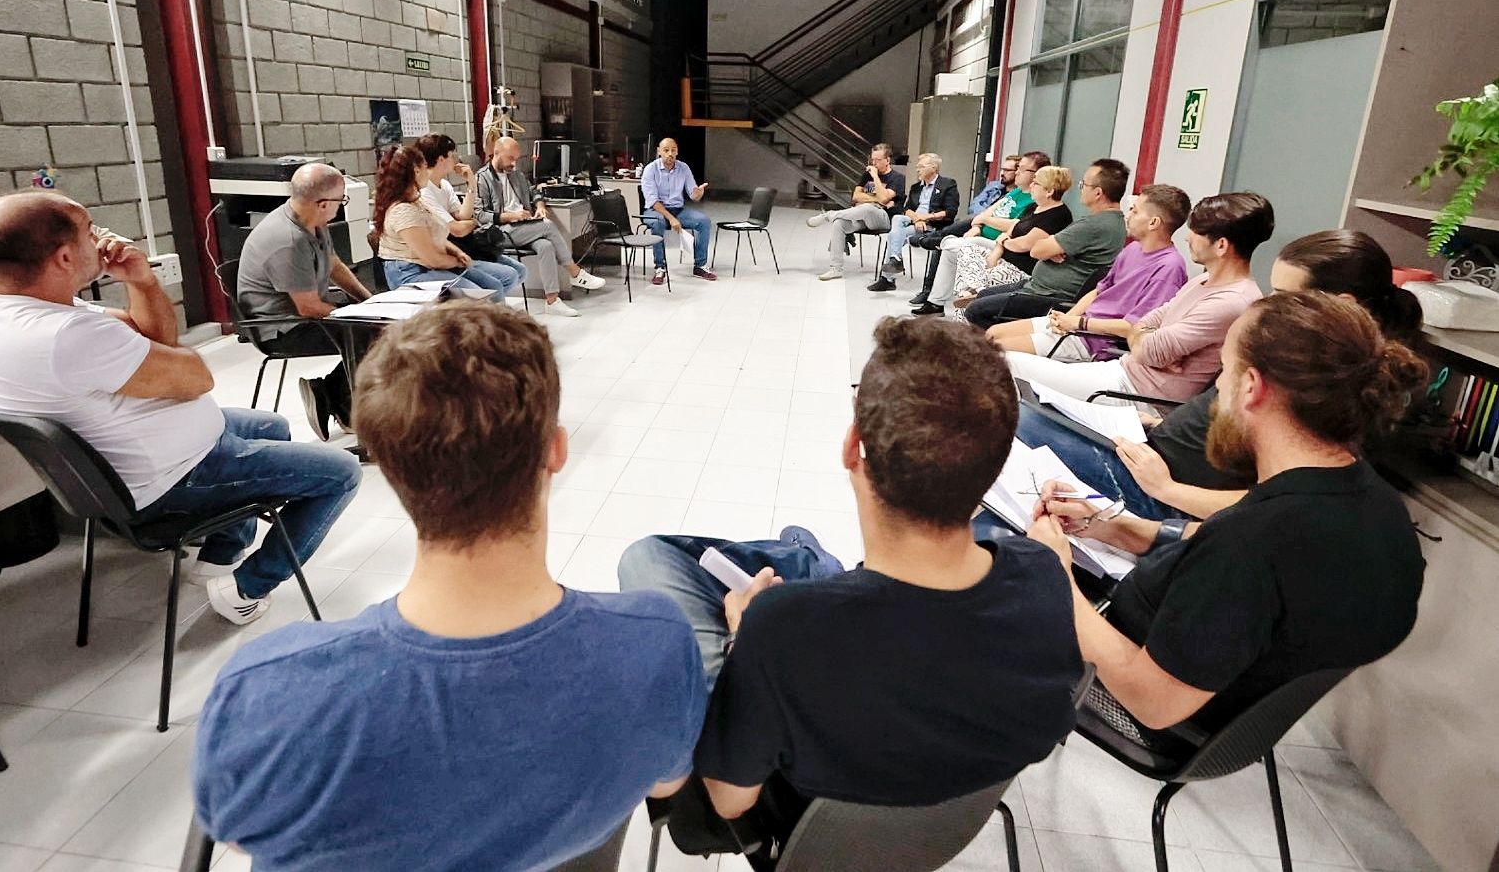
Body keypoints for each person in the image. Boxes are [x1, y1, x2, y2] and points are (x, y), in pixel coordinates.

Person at [193, 302, 706, 870]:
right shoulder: (654, 644)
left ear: (388, 467)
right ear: (556, 450)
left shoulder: (270, 689)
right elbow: (664, 784)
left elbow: (238, 833)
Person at [618, 317, 1084, 854]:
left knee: (651, 557)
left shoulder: (784, 630)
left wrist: (743, 641)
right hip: (945, 822)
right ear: (998, 462)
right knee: (801, 559)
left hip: (801, 832)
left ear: (852, 448)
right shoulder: (1044, 572)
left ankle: (810, 557)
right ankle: (813, 556)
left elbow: (728, 802)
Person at [1026, 290, 1425, 736]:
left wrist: (1055, 576)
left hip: (1134, 697)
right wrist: (1112, 528)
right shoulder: (1370, 501)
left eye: (1225, 370)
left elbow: (1153, 703)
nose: (1217, 386)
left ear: (1251, 387)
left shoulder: (1250, 546)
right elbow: (1225, 552)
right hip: (1210, 683)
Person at [0, 191, 358, 624]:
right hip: (172, 477)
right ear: (63, 258)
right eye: (88, 231)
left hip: (135, 461)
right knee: (341, 473)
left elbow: (154, 338)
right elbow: (197, 377)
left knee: (269, 425)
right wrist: (159, 351)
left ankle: (220, 552)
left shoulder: (2, 310)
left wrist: (142, 281)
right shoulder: (65, 335)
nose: (100, 238)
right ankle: (246, 589)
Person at [1011, 229, 1426, 522]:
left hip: (1161, 485)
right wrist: (1162, 422)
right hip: (1152, 448)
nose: (1272, 303)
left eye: (1286, 296)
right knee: (1019, 416)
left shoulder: (1335, 393)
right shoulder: (1293, 357)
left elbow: (1281, 506)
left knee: (1010, 422)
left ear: (1339, 303)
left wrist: (1167, 490)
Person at [1005, 192, 1274, 407]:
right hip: (1123, 371)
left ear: (1221, 245)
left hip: (1136, 393)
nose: (1188, 237)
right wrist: (1147, 341)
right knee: (1001, 359)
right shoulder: (1202, 282)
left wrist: (1146, 342)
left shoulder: (1230, 301)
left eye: (1195, 232)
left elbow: (1148, 346)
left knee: (1005, 363)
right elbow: (1148, 325)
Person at [235, 162, 374, 441]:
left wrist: (368, 301)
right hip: (283, 329)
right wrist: (358, 316)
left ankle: (330, 393)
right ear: (322, 203)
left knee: (376, 325)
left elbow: (333, 265)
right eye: (341, 200)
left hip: (302, 313)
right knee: (373, 335)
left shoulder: (313, 221)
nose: (342, 205)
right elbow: (308, 307)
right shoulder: (287, 239)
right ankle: (337, 399)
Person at [983, 183, 1191, 348]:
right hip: (1078, 324)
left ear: (1153, 223)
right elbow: (1098, 291)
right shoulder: (1132, 249)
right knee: (991, 334)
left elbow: (1136, 327)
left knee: (997, 351)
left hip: (1095, 340)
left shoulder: (1169, 268)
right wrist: (1068, 318)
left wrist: (1078, 324)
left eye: (1135, 212)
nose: (1128, 216)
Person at [957, 159, 1135, 325]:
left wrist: (1050, 246)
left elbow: (1036, 250)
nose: (1081, 188)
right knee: (982, 293)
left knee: (975, 310)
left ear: (1098, 193)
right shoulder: (1112, 221)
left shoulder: (1091, 224)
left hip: (1049, 296)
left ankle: (999, 348)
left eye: (1084, 184)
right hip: (1039, 286)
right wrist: (1051, 246)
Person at [476, 136, 606, 317]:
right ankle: (575, 272)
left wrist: (540, 206)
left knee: (546, 245)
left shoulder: (516, 173)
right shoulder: (482, 179)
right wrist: (510, 216)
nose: (514, 163)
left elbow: (534, 191)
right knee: (547, 226)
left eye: (516, 158)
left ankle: (552, 301)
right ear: (496, 153)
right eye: (510, 158)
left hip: (522, 228)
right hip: (499, 231)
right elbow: (480, 215)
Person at [916, 150, 1048, 312]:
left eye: (1021, 169)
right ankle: (935, 302)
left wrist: (984, 221)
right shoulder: (1016, 191)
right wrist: (978, 226)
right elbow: (987, 212)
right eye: (1017, 167)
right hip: (981, 234)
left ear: (1037, 174)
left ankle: (935, 241)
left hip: (999, 244)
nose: (1017, 172)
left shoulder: (1035, 201)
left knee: (956, 245)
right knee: (951, 249)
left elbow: (1017, 226)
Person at [414, 132, 528, 302]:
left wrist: (471, 184)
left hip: (466, 245)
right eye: (452, 154)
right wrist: (474, 221)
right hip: (451, 249)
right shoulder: (424, 191)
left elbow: (463, 215)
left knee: (519, 271)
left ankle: (489, 306)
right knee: (504, 279)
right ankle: (490, 311)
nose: (457, 159)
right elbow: (459, 228)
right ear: (441, 159)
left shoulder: (444, 185)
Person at [942, 164, 1076, 306]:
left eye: (1036, 183)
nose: (1031, 186)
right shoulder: (1036, 207)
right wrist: (998, 250)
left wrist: (1004, 242)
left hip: (1021, 270)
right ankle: (974, 291)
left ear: (1049, 191)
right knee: (967, 248)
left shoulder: (1057, 215)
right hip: (1005, 258)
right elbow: (1011, 229)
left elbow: (1024, 244)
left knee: (973, 280)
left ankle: (974, 293)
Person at [373, 144, 493, 296]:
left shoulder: (417, 201)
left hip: (428, 265)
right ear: (416, 171)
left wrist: (457, 252)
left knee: (491, 286)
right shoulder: (403, 210)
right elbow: (433, 259)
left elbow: (433, 237)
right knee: (476, 296)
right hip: (410, 272)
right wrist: (457, 261)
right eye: (425, 167)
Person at [805, 143, 906, 281]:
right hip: (862, 216)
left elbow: (883, 199)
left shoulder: (897, 178)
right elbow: (855, 197)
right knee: (839, 223)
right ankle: (836, 268)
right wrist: (876, 199)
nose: (874, 163)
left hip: (883, 218)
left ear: (888, 160)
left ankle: (829, 215)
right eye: (872, 160)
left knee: (867, 208)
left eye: (878, 160)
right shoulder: (866, 174)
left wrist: (876, 178)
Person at [866, 152, 960, 292]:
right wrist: (917, 219)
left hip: (933, 226)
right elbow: (906, 209)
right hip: (913, 223)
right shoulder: (916, 187)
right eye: (917, 167)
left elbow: (950, 212)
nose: (917, 170)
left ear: (934, 168)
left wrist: (924, 218)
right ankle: (895, 260)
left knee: (894, 235)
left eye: (921, 167)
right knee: (897, 222)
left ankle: (888, 278)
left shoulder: (947, 184)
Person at [639, 137, 719, 284]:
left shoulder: (683, 168)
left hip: (678, 210)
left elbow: (692, 194)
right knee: (658, 223)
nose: (670, 154)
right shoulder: (650, 170)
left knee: (704, 221)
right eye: (666, 150)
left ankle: (700, 265)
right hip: (654, 210)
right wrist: (670, 218)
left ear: (677, 152)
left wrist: (698, 193)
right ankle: (660, 267)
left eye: (673, 150)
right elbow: (652, 201)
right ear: (659, 152)